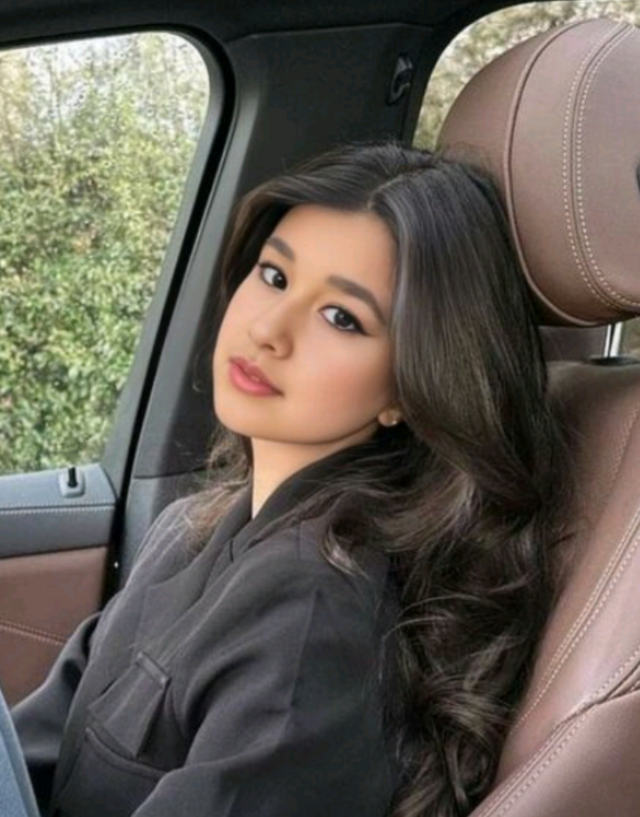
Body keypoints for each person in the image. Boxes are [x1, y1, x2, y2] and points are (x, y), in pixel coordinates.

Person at [10, 143, 570, 817]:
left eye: (341, 318)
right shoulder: (188, 530)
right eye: (274, 276)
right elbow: (30, 755)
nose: (269, 329)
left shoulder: (312, 617)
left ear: (410, 386)